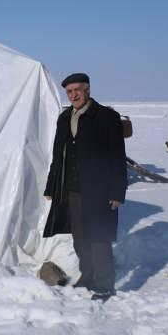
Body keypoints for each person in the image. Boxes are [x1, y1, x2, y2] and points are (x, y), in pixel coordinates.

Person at [43, 73, 127, 301]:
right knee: (80, 239)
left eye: (77, 90)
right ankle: (88, 276)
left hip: (99, 189)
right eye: (69, 92)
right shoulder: (65, 118)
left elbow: (117, 157)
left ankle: (104, 285)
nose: (73, 95)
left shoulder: (107, 117)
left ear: (88, 89)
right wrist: (52, 186)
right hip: (72, 190)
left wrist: (117, 192)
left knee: (98, 239)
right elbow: (57, 156)